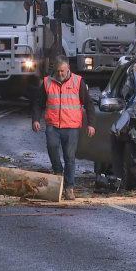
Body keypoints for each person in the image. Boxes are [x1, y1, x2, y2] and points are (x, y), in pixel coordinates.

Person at [32, 55, 95, 200]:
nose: (60, 74)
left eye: (62, 71)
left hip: (72, 126)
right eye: (57, 71)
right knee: (52, 148)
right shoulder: (47, 82)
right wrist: (36, 119)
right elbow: (38, 103)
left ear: (68, 69)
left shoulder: (78, 82)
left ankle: (69, 188)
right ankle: (58, 172)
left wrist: (91, 124)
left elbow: (89, 104)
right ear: (54, 69)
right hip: (53, 125)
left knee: (69, 157)